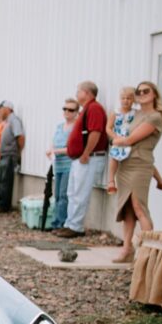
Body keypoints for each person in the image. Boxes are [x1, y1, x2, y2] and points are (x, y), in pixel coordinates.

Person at [110, 81, 162, 262]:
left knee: (139, 207)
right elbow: (116, 124)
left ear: (154, 93)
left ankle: (150, 252)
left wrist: (117, 141)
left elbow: (130, 139)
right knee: (127, 209)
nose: (142, 93)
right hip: (125, 165)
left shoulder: (155, 117)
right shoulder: (135, 114)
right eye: (139, 91)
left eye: (146, 90)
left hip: (139, 166)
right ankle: (127, 249)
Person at [55, 81, 108, 238]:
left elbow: (95, 132)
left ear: (87, 93)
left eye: (79, 91)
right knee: (72, 192)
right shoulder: (86, 109)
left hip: (88, 158)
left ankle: (76, 226)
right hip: (79, 158)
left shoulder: (94, 108)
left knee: (80, 193)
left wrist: (86, 153)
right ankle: (69, 224)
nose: (77, 94)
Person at [46, 100, 79, 229]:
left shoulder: (76, 127)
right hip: (58, 163)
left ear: (76, 112)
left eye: (71, 110)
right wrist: (51, 150)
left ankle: (61, 223)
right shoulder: (60, 126)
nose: (67, 112)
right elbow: (54, 142)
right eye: (65, 109)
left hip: (68, 164)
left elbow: (73, 148)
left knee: (64, 194)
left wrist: (56, 151)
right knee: (57, 194)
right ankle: (56, 220)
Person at [0, 101, 24, 212]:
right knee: (1, 181)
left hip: (10, 154)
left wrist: (18, 152)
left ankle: (4, 206)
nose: (0, 111)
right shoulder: (7, 121)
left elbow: (20, 136)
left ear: (8, 109)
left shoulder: (14, 120)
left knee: (5, 181)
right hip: (4, 154)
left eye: (1, 108)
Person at [105, 87, 137, 193]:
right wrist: (115, 137)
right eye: (123, 98)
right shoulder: (115, 113)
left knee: (130, 158)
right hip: (118, 139)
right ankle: (110, 181)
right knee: (114, 157)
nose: (126, 100)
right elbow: (108, 128)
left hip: (130, 139)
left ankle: (128, 182)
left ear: (133, 100)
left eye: (129, 98)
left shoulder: (136, 113)